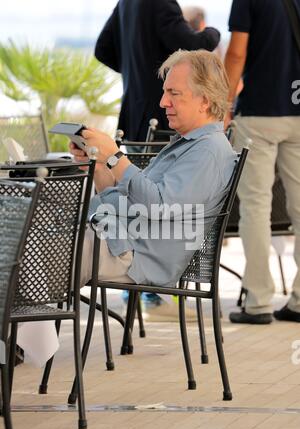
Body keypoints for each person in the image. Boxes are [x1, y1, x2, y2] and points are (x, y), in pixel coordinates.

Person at [70, 50, 235, 322]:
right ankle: (20, 338)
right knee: (38, 240)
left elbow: (157, 206)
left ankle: (17, 339)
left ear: (204, 100)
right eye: (164, 92)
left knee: (51, 251)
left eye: (174, 93)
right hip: (119, 239)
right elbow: (127, 203)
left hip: (134, 254)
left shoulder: (207, 152)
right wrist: (99, 163)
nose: (163, 101)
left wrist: (115, 156)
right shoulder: (188, 145)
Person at [224, 0, 300, 324]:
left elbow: (237, 53)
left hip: (258, 112)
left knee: (256, 206)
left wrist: (224, 103)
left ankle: (258, 302)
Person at [94, 0, 220, 142]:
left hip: (132, 117)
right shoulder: (162, 3)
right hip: (160, 118)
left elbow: (102, 50)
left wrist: (137, 72)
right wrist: (213, 32)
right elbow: (193, 44)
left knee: (136, 163)